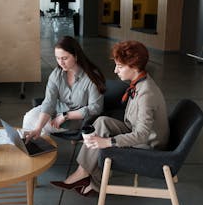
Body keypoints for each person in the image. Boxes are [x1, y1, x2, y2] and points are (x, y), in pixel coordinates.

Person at [51, 40, 170, 196]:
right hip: (135, 129)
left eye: (119, 66)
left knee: (103, 141)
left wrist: (108, 142)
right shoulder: (140, 82)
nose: (115, 70)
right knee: (101, 122)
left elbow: (142, 135)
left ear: (134, 67)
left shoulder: (146, 94)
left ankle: (90, 179)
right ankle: (85, 175)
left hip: (148, 144)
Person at [23, 36, 105, 141]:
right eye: (57, 58)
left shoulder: (92, 76)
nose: (60, 63)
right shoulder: (56, 75)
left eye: (64, 58)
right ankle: (30, 148)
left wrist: (66, 116)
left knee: (41, 127)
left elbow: (95, 108)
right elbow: (49, 102)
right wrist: (38, 128)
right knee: (29, 118)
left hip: (76, 118)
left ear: (75, 56)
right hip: (57, 110)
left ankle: (38, 151)